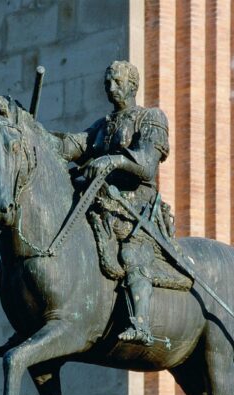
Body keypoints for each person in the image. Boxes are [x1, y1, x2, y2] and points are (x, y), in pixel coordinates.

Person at [54, 60, 174, 346]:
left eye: (117, 82)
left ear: (132, 85)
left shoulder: (151, 118)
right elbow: (73, 145)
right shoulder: (102, 125)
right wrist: (36, 137)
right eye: (107, 82)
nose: (110, 87)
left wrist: (113, 160)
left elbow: (146, 165)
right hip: (101, 205)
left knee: (131, 255)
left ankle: (141, 324)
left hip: (135, 210)